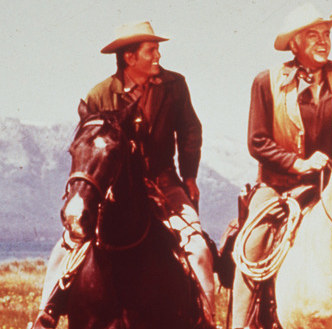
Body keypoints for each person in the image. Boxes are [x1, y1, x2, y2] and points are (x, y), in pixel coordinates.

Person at [33, 21, 215, 328]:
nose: (158, 56)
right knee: (65, 248)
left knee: (197, 248)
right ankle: (46, 314)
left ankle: (206, 318)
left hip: (164, 182)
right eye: (152, 50)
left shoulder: (175, 86)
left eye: (157, 50)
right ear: (130, 57)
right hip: (111, 191)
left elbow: (190, 132)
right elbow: (89, 147)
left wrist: (190, 177)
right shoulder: (100, 94)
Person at [230, 3, 332, 328]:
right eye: (313, 35)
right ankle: (240, 323)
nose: (323, 41)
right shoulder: (267, 82)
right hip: (280, 188)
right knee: (252, 246)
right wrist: (299, 163)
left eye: (326, 34)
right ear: (294, 44)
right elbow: (257, 141)